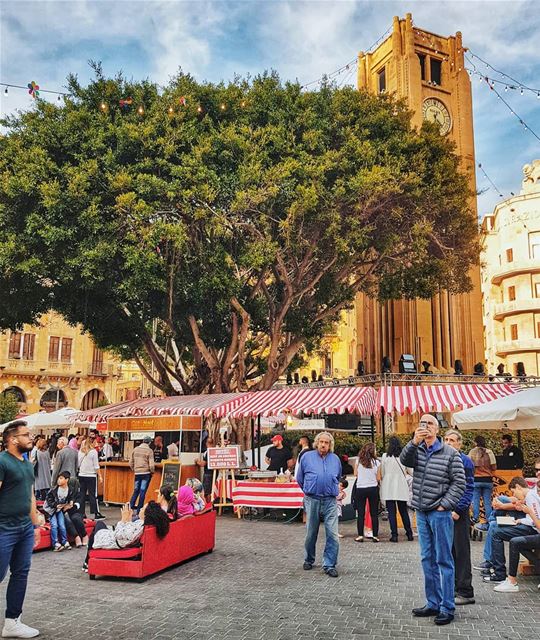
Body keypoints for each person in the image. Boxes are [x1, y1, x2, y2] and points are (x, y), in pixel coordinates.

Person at [400, 414, 465, 626]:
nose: (425, 426)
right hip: (421, 511)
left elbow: (459, 483)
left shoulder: (450, 453)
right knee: (426, 558)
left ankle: (447, 606)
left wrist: (444, 504)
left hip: (439, 512)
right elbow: (404, 460)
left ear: (437, 429)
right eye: (422, 423)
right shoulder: (416, 450)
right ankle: (433, 602)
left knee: (444, 559)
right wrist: (413, 442)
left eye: (429, 423)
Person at [0, 420, 41, 638]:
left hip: (24, 528)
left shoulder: (26, 463)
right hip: (3, 528)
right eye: (26, 435)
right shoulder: (2, 462)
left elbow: (30, 497)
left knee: (20, 574)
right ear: (13, 439)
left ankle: (12, 622)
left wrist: (35, 525)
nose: (30, 438)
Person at [296, 431, 342, 578]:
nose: (323, 445)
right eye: (321, 442)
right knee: (311, 532)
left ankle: (329, 564)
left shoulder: (335, 459)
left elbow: (338, 477)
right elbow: (300, 478)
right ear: (316, 443)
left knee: (333, 534)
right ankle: (309, 559)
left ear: (330, 445)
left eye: (326, 442)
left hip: (330, 500)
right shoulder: (307, 457)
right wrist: (309, 490)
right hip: (312, 499)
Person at [483, 476, 540, 587]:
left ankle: (499, 572)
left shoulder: (531, 497)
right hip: (529, 526)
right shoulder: (529, 496)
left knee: (496, 532)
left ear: (518, 487)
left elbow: (535, 520)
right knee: (496, 528)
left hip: (532, 529)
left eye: (514, 492)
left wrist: (522, 520)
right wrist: (520, 519)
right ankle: (498, 570)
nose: (514, 496)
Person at [83, 501, 169, 572]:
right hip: (118, 540)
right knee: (99, 526)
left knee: (98, 525)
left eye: (142, 509)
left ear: (146, 514)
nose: (140, 510)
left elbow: (118, 535)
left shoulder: (140, 526)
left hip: (113, 542)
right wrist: (128, 519)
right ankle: (87, 561)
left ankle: (88, 560)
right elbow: (128, 532)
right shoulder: (143, 524)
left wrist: (123, 519)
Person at [444, 429, 475, 605]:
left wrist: (458, 510)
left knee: (461, 551)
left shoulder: (465, 461)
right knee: (450, 551)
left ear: (459, 443)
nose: (448, 442)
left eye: (452, 440)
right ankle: (455, 587)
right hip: (445, 511)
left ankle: (465, 590)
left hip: (458, 513)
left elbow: (468, 488)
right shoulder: (445, 459)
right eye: (446, 439)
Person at [379, 436, 413, 543]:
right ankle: (409, 533)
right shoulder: (404, 456)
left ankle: (394, 535)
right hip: (401, 486)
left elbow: (383, 472)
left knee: (391, 512)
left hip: (388, 486)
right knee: (403, 511)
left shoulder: (385, 456)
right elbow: (411, 471)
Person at [353, 442, 381, 543]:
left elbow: (355, 473)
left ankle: (360, 535)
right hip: (373, 488)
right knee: (374, 513)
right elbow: (378, 478)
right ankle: (375, 536)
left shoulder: (358, 460)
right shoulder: (377, 462)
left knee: (361, 513)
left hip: (360, 488)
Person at [468, 435, 496, 529]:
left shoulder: (472, 452)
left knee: (475, 500)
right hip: (488, 480)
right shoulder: (489, 452)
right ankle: (489, 520)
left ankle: (475, 519)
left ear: (475, 442)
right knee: (487, 501)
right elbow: (494, 467)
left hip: (476, 480)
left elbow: (468, 465)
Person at [43, 471, 75, 551]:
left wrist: (71, 501)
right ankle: (55, 544)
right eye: (58, 478)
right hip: (51, 510)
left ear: (66, 480)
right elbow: (49, 499)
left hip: (59, 510)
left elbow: (72, 496)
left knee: (62, 525)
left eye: (61, 478)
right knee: (54, 525)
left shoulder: (70, 489)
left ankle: (64, 542)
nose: (59, 480)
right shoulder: (54, 489)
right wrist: (55, 505)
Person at [78, 437, 104, 520]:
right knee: (93, 495)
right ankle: (95, 513)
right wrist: (100, 476)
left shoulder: (80, 452)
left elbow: (78, 464)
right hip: (91, 475)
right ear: (91, 443)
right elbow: (96, 466)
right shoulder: (93, 452)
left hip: (81, 475)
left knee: (82, 494)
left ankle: (81, 513)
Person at [129, 436, 155, 513]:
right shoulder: (149, 451)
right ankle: (139, 509)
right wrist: (152, 472)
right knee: (142, 491)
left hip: (137, 473)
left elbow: (130, 462)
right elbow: (151, 465)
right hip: (146, 473)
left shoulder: (135, 449)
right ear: (149, 442)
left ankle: (130, 507)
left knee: (136, 490)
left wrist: (134, 469)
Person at [33, 437, 52, 501]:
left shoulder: (37, 452)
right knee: (46, 486)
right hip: (47, 472)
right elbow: (49, 464)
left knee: (40, 487)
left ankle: (41, 500)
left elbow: (32, 462)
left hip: (39, 471)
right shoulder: (47, 452)